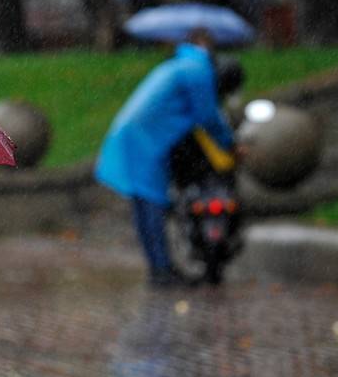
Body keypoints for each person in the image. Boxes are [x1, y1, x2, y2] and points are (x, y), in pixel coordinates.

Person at [95, 28, 235, 286]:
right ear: (206, 45)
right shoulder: (198, 69)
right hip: (147, 140)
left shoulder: (176, 65)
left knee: (143, 202)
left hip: (135, 135)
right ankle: (161, 270)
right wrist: (230, 142)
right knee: (151, 201)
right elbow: (207, 116)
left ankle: (158, 267)